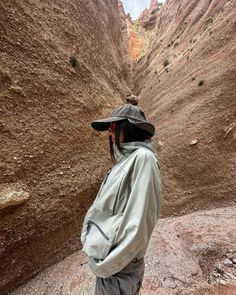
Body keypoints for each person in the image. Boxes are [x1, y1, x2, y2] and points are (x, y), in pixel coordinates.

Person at [81, 97, 161, 295]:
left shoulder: (143, 159)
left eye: (114, 126)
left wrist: (107, 266)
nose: (110, 132)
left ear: (130, 128)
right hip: (113, 266)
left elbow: (140, 223)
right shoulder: (126, 161)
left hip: (118, 270)